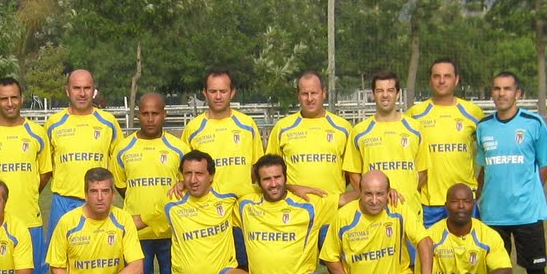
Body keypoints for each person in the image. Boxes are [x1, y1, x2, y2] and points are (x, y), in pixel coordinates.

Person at [476, 71, 547, 274]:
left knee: (536, 272)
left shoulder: (533, 124)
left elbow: (545, 164)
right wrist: (480, 198)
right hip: (492, 214)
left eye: (507, 89)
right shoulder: (484, 127)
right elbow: (483, 169)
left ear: (518, 93)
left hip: (527, 214)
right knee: (495, 273)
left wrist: (529, 193)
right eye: (497, 89)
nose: (501, 93)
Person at [44, 69, 122, 274]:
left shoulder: (108, 123)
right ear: (67, 90)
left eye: (87, 88)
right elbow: (45, 168)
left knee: (104, 267)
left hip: (100, 203)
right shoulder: (53, 124)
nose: (81, 93)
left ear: (94, 90)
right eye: (76, 87)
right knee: (60, 271)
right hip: (66, 203)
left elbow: (117, 165)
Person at [114, 92, 188, 274]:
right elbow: (122, 187)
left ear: (164, 114)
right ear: (137, 115)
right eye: (144, 113)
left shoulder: (179, 148)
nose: (149, 118)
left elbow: (187, 182)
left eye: (155, 113)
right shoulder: (123, 148)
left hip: (171, 231)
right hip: (136, 232)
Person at [0, 76, 52, 274]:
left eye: (14, 98)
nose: (9, 103)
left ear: (22, 98)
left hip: (28, 219)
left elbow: (44, 173)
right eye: (4, 99)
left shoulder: (37, 133)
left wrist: (29, 191)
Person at [265, 70, 355, 239]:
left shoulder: (343, 128)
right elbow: (268, 172)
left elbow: (351, 171)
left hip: (332, 212)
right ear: (298, 96)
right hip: (295, 213)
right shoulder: (283, 127)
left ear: (324, 93)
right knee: (298, 265)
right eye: (304, 93)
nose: (309, 98)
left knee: (337, 264)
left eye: (314, 93)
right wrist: (292, 187)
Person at [408, 57, 484, 226]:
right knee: (427, 252)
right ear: (430, 79)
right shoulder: (415, 114)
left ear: (456, 79)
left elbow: (488, 155)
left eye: (447, 76)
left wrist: (477, 190)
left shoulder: (473, 113)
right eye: (436, 76)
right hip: (429, 203)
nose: (441, 81)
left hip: (464, 201)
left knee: (469, 250)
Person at [344, 70, 426, 223]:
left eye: (390, 90)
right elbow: (354, 173)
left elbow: (422, 172)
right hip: (373, 214)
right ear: (373, 94)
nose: (385, 95)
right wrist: (374, 198)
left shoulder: (415, 128)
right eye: (379, 91)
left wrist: (405, 192)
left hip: (409, 210)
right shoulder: (360, 131)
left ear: (398, 94)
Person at [181, 68, 265, 208]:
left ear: (232, 93)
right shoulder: (193, 128)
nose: (218, 96)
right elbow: (185, 172)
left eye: (223, 91)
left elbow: (257, 169)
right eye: (213, 91)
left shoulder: (247, 125)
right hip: (209, 209)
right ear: (205, 93)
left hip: (244, 207)